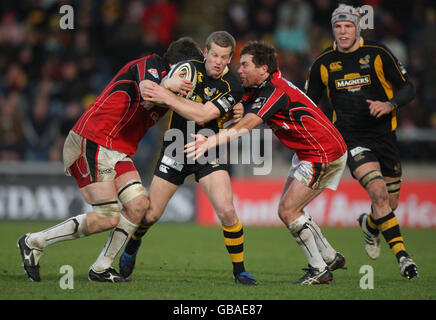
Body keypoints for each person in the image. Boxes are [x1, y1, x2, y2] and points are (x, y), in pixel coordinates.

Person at [17, 37, 203, 283]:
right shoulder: (150, 64)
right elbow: (148, 96)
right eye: (192, 70)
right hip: (93, 138)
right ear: (182, 66)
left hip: (117, 149)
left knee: (138, 206)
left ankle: (101, 268)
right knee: (107, 216)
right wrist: (170, 84)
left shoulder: (174, 89)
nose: (194, 77)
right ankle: (34, 241)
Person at [184, 40, 348, 285]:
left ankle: (319, 270)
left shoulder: (275, 91)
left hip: (323, 152)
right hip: (309, 152)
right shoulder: (262, 86)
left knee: (288, 210)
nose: (239, 69)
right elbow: (239, 104)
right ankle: (329, 256)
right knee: (290, 209)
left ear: (263, 69)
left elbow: (248, 124)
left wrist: (210, 142)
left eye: (245, 65)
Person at [119, 31, 257, 285]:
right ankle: (133, 244)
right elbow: (153, 95)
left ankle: (240, 272)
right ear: (205, 53)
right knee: (150, 215)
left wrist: (168, 97)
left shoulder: (233, 87)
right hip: (176, 146)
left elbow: (203, 116)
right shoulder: (185, 69)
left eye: (224, 57)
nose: (218, 61)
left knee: (227, 210)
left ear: (230, 59)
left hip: (207, 147)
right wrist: (165, 89)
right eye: (214, 54)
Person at [304, 4, 418, 279]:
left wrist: (389, 104)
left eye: (348, 26)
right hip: (351, 139)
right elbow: (309, 105)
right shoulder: (322, 63)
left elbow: (408, 88)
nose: (343, 32)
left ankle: (369, 224)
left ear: (357, 28)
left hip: (385, 137)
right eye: (338, 27)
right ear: (333, 29)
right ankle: (404, 258)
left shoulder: (378, 54)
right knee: (377, 193)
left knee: (389, 206)